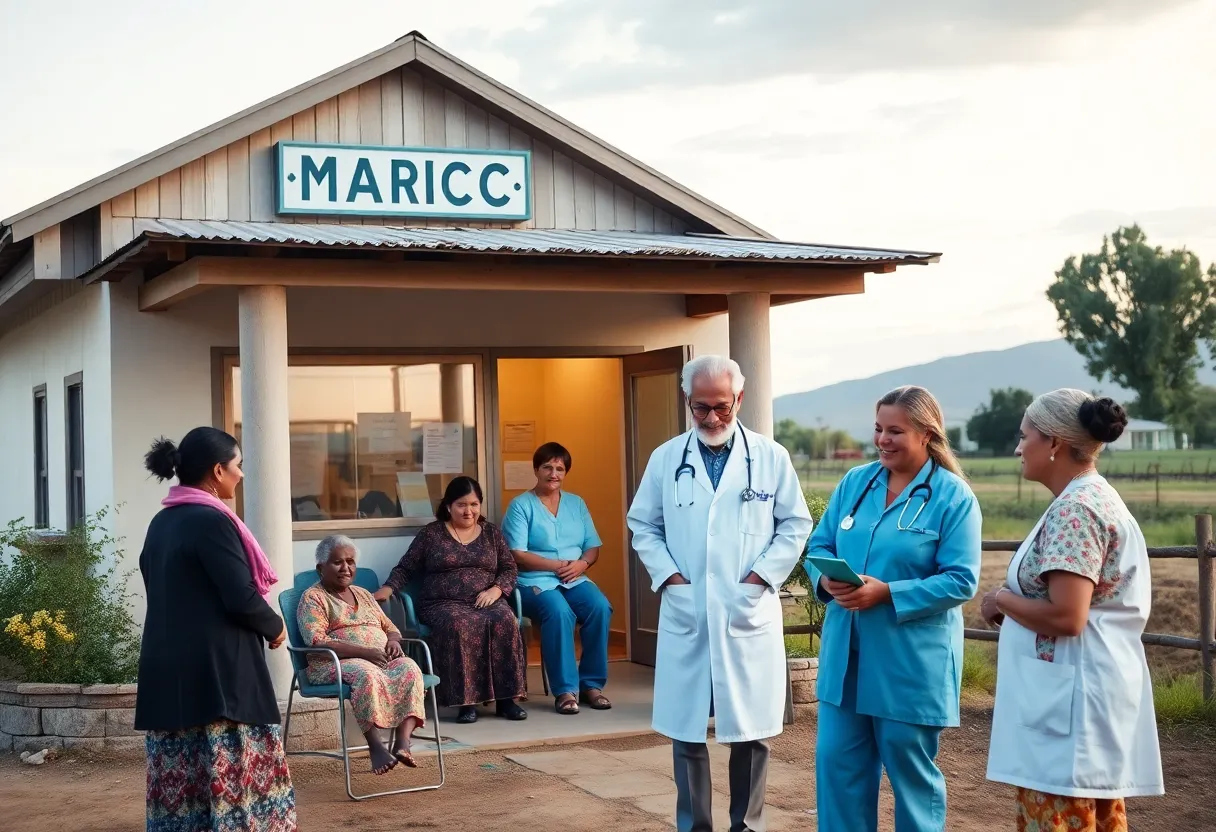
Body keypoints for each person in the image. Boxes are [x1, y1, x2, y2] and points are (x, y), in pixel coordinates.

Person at [626, 355, 812, 832]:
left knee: (751, 730)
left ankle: (746, 825)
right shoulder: (666, 458)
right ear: (686, 401)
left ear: (739, 399)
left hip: (746, 608)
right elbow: (643, 524)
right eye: (701, 407)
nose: (711, 418)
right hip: (687, 607)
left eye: (722, 407)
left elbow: (795, 524)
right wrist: (670, 579)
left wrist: (760, 578)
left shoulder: (770, 457)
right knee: (686, 730)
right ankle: (695, 826)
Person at [981, 389, 1163, 831]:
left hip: (1072, 705)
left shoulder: (1076, 511)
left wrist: (1001, 600)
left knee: (1061, 816)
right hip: (1081, 696)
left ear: (1054, 443)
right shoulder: (1092, 498)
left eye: (1024, 436)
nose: (1018, 448)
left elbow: (1068, 616)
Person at [806, 385, 982, 832]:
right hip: (845, 662)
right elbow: (819, 545)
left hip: (909, 666)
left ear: (927, 434)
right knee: (837, 771)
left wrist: (888, 593)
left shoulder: (953, 497)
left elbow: (961, 579)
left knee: (912, 781)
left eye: (895, 431)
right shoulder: (856, 483)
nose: (882, 439)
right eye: (878, 429)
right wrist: (825, 579)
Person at [135, 427, 296, 832]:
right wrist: (275, 626)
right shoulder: (212, 521)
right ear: (218, 470)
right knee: (235, 784)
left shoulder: (162, 522)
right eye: (238, 466)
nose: (241, 475)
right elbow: (239, 596)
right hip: (218, 676)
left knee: (183, 789)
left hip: (168, 673)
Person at [373, 476, 528, 724]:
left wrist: (497, 590)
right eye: (461, 505)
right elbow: (406, 567)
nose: (469, 511)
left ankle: (506, 700)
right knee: (459, 624)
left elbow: (509, 568)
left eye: (474, 504)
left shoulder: (491, 533)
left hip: (486, 600)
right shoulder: (431, 534)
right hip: (442, 603)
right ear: (448, 506)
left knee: (505, 620)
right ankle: (466, 702)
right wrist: (388, 588)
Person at [297, 535, 427, 775]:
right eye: (337, 562)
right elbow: (316, 641)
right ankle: (376, 747)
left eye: (350, 562)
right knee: (366, 674)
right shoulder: (313, 598)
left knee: (410, 668)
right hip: (333, 664)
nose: (346, 568)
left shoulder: (364, 594)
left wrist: (393, 641)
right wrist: (365, 652)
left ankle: (403, 742)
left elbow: (390, 627)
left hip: (379, 659)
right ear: (321, 568)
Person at [503, 442, 613, 715]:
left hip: (574, 577)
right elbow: (517, 553)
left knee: (600, 607)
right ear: (536, 470)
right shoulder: (520, 506)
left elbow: (593, 546)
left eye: (560, 469)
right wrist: (558, 565)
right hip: (533, 580)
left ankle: (591, 685)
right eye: (547, 467)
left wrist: (582, 564)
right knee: (559, 611)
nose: (553, 474)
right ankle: (565, 691)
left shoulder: (576, 503)